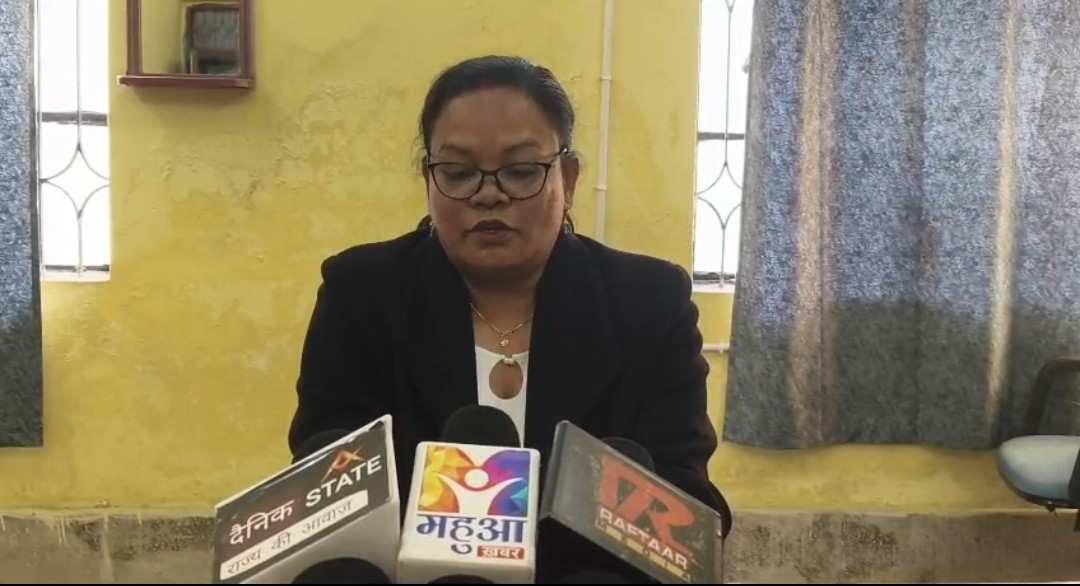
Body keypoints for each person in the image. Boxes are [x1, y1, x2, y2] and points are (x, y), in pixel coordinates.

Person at [288, 55, 731, 537]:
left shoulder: (650, 303)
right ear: (428, 180)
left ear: (568, 179)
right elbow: (328, 483)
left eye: (520, 170)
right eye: (458, 172)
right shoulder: (361, 296)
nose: (488, 194)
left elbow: (686, 503)